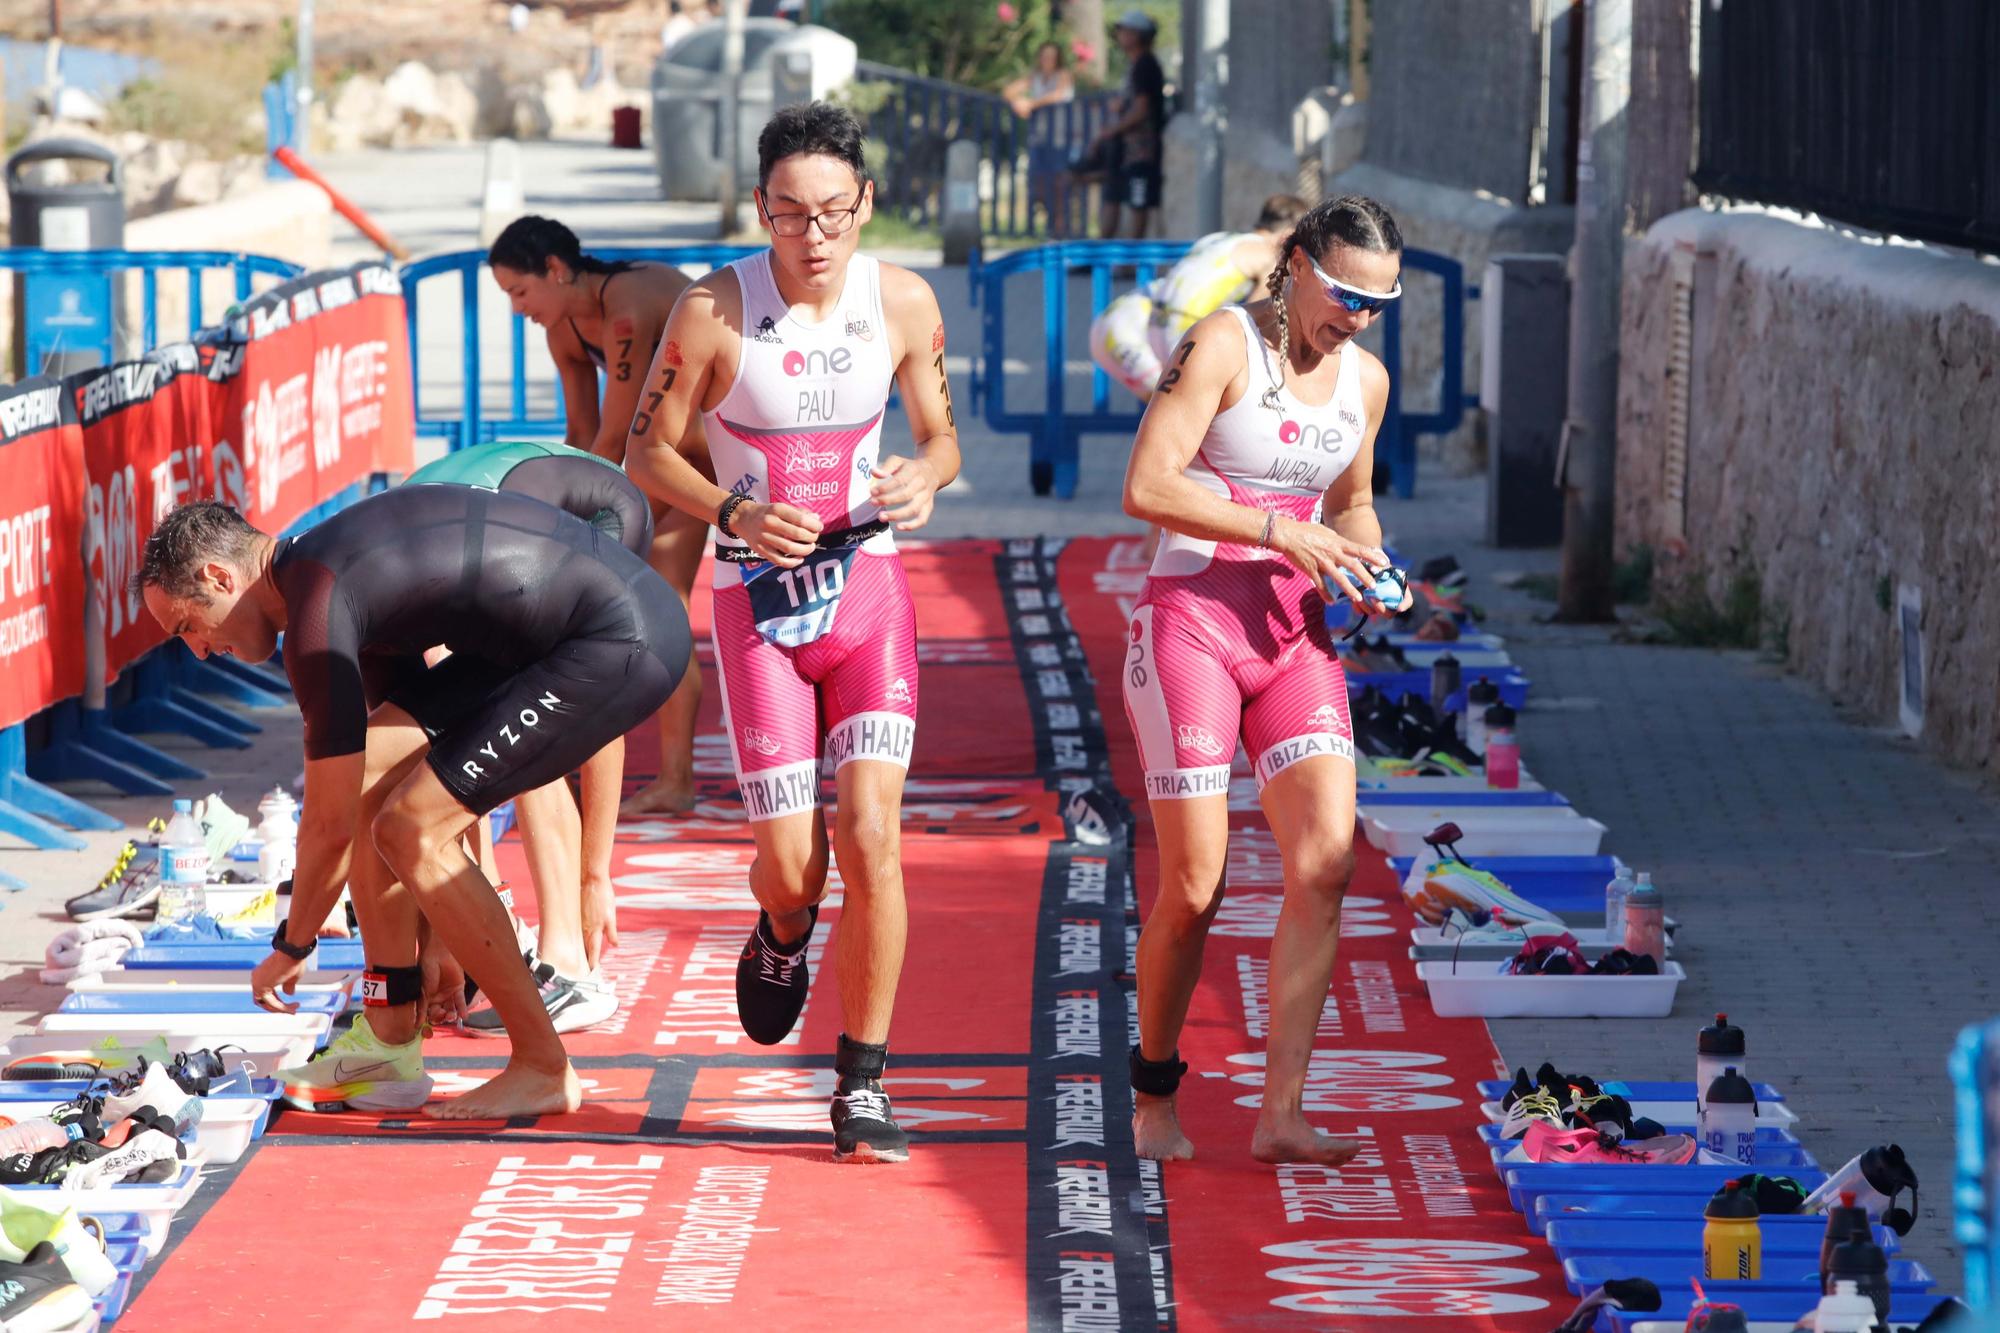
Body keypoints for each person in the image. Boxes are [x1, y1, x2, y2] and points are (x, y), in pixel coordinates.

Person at [623, 102, 960, 1163]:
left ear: (865, 202)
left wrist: (922, 476)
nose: (811, 237)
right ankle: (780, 929)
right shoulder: (711, 312)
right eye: (787, 215)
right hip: (757, 607)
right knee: (792, 865)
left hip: (868, 592)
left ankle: (861, 1081)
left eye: (831, 212)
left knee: (871, 837)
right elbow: (646, 454)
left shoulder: (901, 299)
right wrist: (731, 511)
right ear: (758, 211)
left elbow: (943, 436)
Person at [135, 490, 691, 1119]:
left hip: (618, 638)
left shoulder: (319, 612)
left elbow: (327, 827)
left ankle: (542, 1064)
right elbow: (390, 775)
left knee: (411, 830)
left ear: (218, 576)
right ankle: (391, 1038)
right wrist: (441, 941)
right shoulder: (326, 581)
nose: (200, 651)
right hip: (556, 637)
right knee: (379, 779)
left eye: (188, 627)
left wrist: (291, 948)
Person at [1118, 196, 1411, 1164]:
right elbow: (1147, 485)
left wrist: (1369, 567)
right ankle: (1154, 1088)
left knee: (1325, 864)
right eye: (1342, 294)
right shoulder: (1219, 345)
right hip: (1192, 630)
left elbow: (1354, 503)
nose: (1356, 317)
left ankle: (1280, 1113)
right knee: (1194, 886)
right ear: (1293, 265)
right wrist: (1278, 528)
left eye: (1379, 302)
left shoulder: (1363, 380)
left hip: (1294, 639)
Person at [401, 440, 656, 1034]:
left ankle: (570, 968)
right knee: (475, 724)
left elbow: (602, 723)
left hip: (601, 512)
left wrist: (598, 875)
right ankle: (516, 930)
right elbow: (443, 759)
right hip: (492, 520)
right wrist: (458, 924)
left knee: (531, 713)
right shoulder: (400, 611)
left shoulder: (467, 585)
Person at [488, 215, 711, 816]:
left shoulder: (629, 306)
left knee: (640, 606)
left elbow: (618, 431)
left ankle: (669, 778)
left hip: (695, 458)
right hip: (652, 460)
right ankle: (639, 774)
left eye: (519, 291)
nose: (516, 309)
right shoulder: (562, 326)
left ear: (556, 271)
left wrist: (563, 522)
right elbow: (581, 434)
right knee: (639, 607)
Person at [1090, 194, 1312, 404]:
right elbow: (1256, 320)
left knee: (1168, 407)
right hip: (1182, 323)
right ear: (1287, 235)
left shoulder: (1218, 239)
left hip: (1139, 318)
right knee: (1188, 409)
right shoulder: (1267, 256)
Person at [1072, 10, 1166, 239]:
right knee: (1113, 195)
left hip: (1141, 148)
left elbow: (1142, 107)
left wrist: (1112, 130)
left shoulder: (1146, 64)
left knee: (1137, 201)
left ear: (1137, 35)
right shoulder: (1135, 65)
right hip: (1126, 147)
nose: (1120, 36)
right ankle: (1104, 255)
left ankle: (1131, 261)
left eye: (1125, 31)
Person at [1005, 41, 1077, 238]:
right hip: (1041, 138)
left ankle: (1059, 229)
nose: (1047, 61)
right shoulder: (1035, 77)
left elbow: (1058, 95)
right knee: (1039, 183)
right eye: (1044, 57)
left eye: (1051, 57)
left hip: (1061, 138)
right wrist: (1018, 103)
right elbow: (1010, 91)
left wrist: (1031, 104)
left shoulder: (1063, 75)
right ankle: (1050, 225)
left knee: (1059, 184)